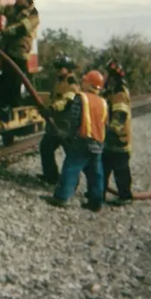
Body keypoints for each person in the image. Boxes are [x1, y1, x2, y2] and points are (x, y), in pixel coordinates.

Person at [44, 70, 108, 212]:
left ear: (89, 84)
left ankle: (61, 197)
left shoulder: (82, 98)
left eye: (85, 81)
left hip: (82, 140)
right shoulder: (103, 102)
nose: (82, 83)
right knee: (96, 173)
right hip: (98, 142)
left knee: (71, 167)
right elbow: (105, 123)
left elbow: (75, 119)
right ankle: (96, 202)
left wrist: (70, 136)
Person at [0, 0, 40, 106]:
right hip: (8, 50)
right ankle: (5, 105)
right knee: (6, 79)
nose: (17, 0)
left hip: (20, 52)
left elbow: (21, 28)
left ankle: (15, 104)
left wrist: (6, 31)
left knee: (17, 80)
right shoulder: (14, 9)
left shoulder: (33, 15)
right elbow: (2, 9)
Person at [38, 54, 79, 185]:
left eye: (60, 67)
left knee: (71, 154)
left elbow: (66, 101)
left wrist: (52, 108)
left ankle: (72, 182)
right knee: (45, 147)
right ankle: (51, 177)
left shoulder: (72, 84)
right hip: (56, 124)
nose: (57, 70)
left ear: (67, 69)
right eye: (56, 67)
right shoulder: (59, 82)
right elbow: (55, 98)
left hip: (66, 126)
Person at [102, 59, 134, 205]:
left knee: (121, 170)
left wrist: (112, 129)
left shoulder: (120, 92)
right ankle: (98, 192)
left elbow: (120, 114)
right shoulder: (113, 90)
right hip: (111, 139)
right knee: (104, 167)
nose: (104, 76)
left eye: (106, 74)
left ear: (112, 76)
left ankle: (125, 196)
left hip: (119, 139)